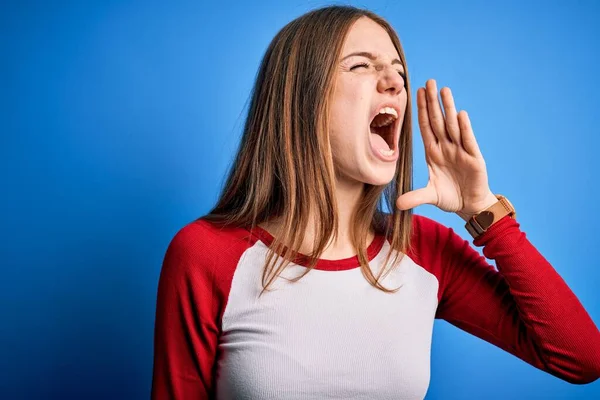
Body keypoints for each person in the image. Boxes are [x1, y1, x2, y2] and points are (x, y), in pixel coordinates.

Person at [150, 5, 600, 399]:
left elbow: (582, 358)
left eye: (399, 72)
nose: (394, 83)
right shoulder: (207, 254)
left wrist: (484, 211)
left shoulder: (423, 251)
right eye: (361, 66)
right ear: (301, 98)